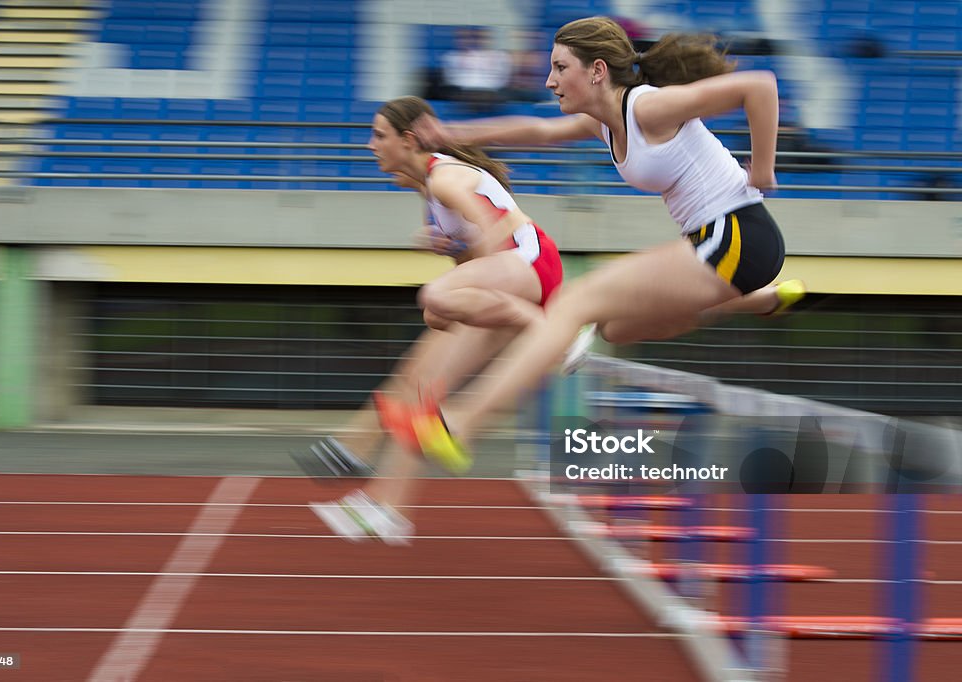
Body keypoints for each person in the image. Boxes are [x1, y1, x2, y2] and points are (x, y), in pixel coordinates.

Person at [378, 16, 806, 473]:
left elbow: (759, 86)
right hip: (723, 248)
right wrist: (453, 135)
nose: (549, 81)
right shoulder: (604, 122)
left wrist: (762, 172)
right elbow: (537, 132)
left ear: (597, 70)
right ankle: (755, 300)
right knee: (616, 329)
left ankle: (463, 422)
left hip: (736, 233)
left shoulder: (647, 108)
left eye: (560, 68)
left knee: (576, 302)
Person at [306, 96, 564, 544]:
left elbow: (496, 234)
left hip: (530, 266)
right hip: (510, 281)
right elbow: (476, 259)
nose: (370, 146)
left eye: (379, 136)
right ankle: (388, 508)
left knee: (436, 301)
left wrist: (463, 269)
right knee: (424, 385)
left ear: (408, 141)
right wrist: (448, 249)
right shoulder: (429, 191)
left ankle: (553, 328)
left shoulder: (444, 180)